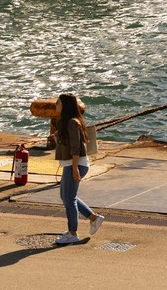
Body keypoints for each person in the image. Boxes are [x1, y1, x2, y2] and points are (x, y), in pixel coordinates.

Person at [52, 93, 105, 245]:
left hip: (75, 164)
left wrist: (75, 168)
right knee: (66, 197)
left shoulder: (72, 123)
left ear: (65, 106)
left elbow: (76, 148)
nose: (56, 105)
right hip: (70, 165)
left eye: (58, 103)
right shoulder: (65, 122)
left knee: (69, 198)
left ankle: (72, 233)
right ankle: (93, 218)